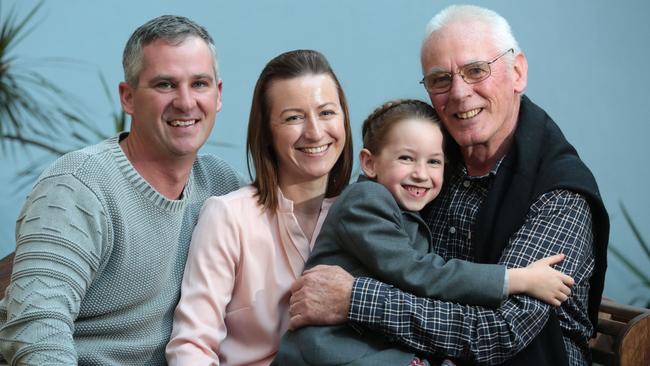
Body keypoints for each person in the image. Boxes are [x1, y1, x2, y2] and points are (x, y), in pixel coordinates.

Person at [287, 5, 609, 366]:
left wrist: (353, 301)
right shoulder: (432, 168)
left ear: (517, 72)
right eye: (440, 79)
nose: (458, 93)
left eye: (476, 71)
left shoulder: (560, 195)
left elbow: (500, 333)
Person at [0, 15, 243, 365]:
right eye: (165, 85)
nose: (186, 102)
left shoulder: (222, 187)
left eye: (199, 83)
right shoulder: (78, 185)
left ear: (218, 96)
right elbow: (36, 327)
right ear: (128, 98)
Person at [274, 99, 575, 366]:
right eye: (406, 158)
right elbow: (419, 273)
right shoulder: (365, 201)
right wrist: (517, 278)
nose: (421, 173)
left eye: (433, 162)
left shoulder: (407, 212)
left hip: (371, 349)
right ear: (369, 162)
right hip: (328, 351)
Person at [165, 49, 353, 366]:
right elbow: (192, 346)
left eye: (326, 113)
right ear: (266, 132)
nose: (315, 132)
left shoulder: (368, 216)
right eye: (294, 117)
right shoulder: (229, 217)